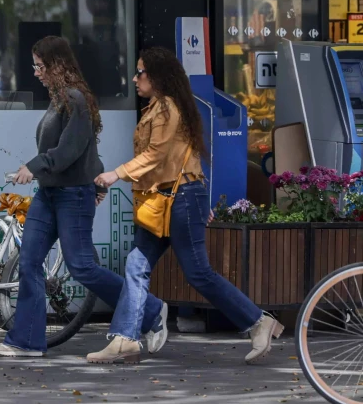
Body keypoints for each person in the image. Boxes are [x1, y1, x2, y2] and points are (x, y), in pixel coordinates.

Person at [89, 47, 282, 364]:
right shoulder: (161, 107)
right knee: (136, 267)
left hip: (178, 200)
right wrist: (198, 195)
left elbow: (157, 154)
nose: (135, 78)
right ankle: (124, 338)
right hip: (164, 201)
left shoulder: (166, 108)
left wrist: (115, 174)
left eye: (141, 72)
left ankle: (259, 321)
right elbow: (184, 156)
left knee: (198, 274)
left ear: (157, 77)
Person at [0, 36, 169, 358]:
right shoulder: (60, 99)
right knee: (29, 262)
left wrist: (34, 166)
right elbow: (89, 151)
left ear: (57, 66)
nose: (36, 72)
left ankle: (150, 309)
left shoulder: (74, 99)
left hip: (72, 195)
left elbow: (70, 150)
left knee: (82, 267)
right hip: (50, 194)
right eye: (35, 65)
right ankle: (26, 341)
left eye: (40, 66)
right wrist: (96, 181)